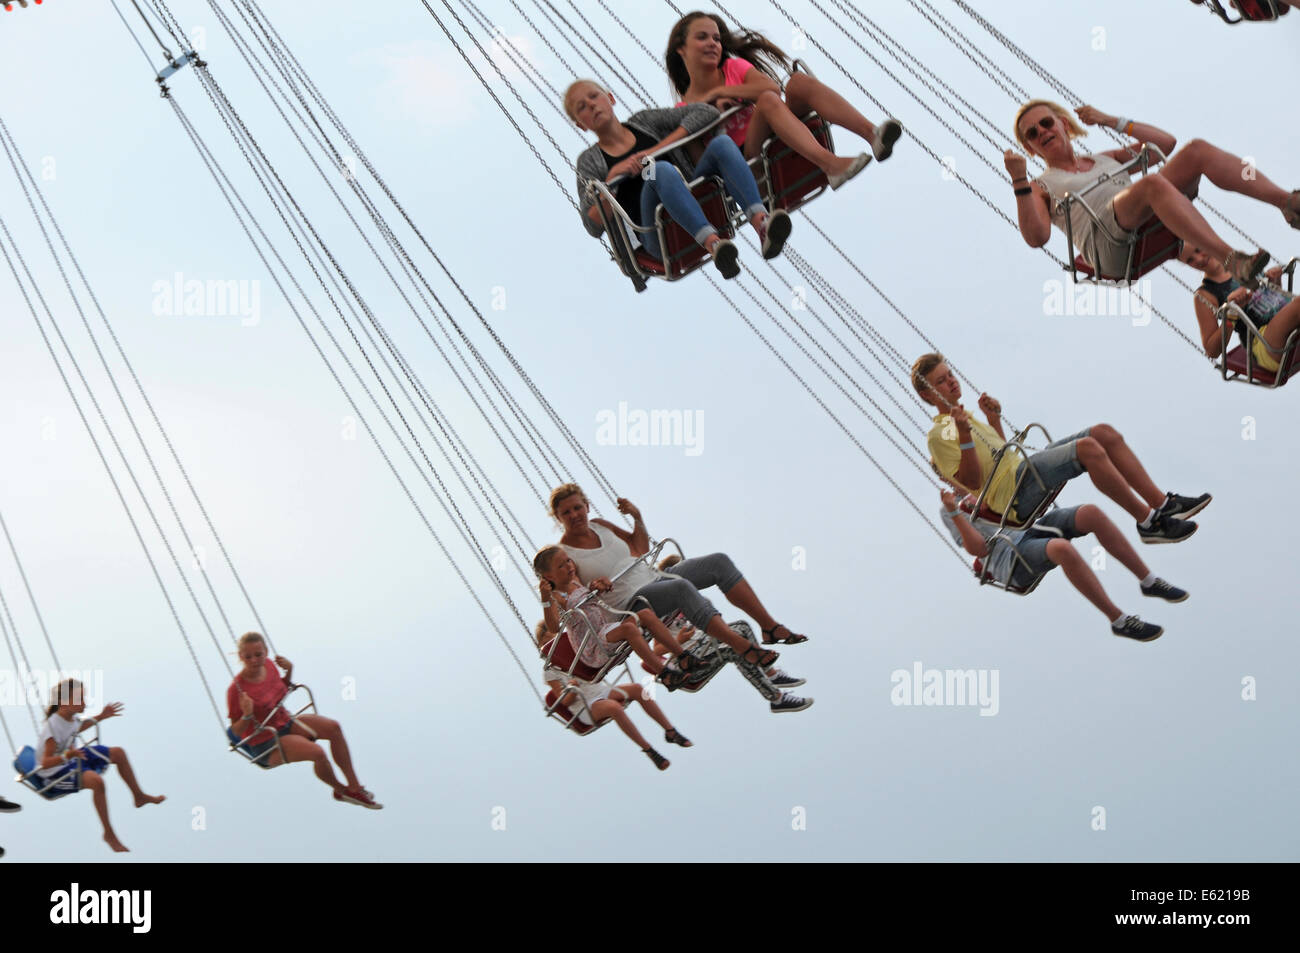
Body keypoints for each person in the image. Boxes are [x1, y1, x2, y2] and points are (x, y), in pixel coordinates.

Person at [548, 483, 813, 713]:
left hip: (653, 576)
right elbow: (569, 587)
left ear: (586, 506)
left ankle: (769, 627)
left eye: (577, 508)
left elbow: (639, 548)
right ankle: (744, 647)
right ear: (558, 518)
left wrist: (637, 517)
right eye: (566, 513)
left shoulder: (601, 526)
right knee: (681, 589)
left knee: (718, 563)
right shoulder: (564, 552)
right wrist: (594, 584)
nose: (574, 515)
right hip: (630, 601)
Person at [912, 353, 1211, 542]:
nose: (951, 382)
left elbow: (1000, 455)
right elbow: (974, 483)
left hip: (1020, 470)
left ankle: (1161, 502)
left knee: (1102, 433)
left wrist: (993, 420)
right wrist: (964, 434)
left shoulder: (966, 419)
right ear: (928, 393)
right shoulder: (940, 434)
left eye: (950, 374)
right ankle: (1148, 522)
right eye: (942, 381)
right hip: (1012, 496)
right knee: (1087, 450)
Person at [1005, 100, 1295, 285]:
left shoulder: (1106, 158)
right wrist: (1019, 180)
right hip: (1107, 246)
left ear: (1063, 125)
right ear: (1031, 148)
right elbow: (1037, 238)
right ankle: (1233, 260)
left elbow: (1165, 144)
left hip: (1141, 215)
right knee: (1150, 185)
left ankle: (1287, 203)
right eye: (1032, 134)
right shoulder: (1040, 185)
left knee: (1197, 150)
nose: (1041, 132)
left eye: (1046, 123)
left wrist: (1109, 120)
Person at [567, 79, 791, 280]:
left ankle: (761, 222)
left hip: (695, 198)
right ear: (581, 124)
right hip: (657, 234)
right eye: (582, 108)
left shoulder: (644, 122)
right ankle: (714, 245)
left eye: (594, 96)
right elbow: (592, 224)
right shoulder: (590, 161)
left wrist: (653, 150)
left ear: (610, 98)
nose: (592, 105)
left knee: (721, 145)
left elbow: (705, 113)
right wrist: (612, 178)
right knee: (660, 170)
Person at [667, 11, 902, 192]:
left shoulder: (732, 68)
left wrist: (723, 94)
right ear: (681, 49)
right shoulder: (683, 110)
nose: (712, 43)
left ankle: (872, 135)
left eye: (717, 39)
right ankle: (830, 165)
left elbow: (770, 86)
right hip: (748, 160)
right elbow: (702, 166)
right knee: (768, 101)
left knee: (797, 82)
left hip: (775, 128)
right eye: (702, 37)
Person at [941, 490, 1184, 641]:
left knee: (1090, 513)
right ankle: (1119, 620)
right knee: (1061, 549)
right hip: (1009, 558)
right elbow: (979, 549)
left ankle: (1149, 581)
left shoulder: (985, 481)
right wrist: (954, 512)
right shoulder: (951, 507)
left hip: (1030, 530)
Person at [228, 632, 381, 810]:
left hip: (285, 722)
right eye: (248, 657)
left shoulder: (270, 666)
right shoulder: (236, 690)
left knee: (334, 728)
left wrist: (289, 671)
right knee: (317, 753)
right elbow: (235, 732)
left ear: (266, 652)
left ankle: (355, 787)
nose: (254, 660)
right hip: (267, 742)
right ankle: (340, 790)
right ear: (240, 657)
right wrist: (247, 715)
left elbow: (279, 691)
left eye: (258, 655)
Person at [33, 679, 164, 853]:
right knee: (97, 782)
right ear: (65, 701)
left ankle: (139, 796)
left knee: (118, 753)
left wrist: (102, 715)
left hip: (70, 759)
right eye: (80, 699)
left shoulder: (69, 718)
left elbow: (77, 728)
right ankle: (109, 834)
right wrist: (68, 755)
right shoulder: (53, 726)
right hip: (53, 773)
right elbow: (44, 763)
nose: (85, 703)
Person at [536, 622, 690, 771]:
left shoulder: (574, 651)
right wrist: (571, 689)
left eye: (556, 639)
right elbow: (564, 702)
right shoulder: (550, 671)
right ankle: (649, 750)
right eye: (549, 642)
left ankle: (671, 731)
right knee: (614, 708)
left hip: (600, 691)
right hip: (584, 705)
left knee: (637, 689)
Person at [535, 545, 694, 679]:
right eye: (561, 566)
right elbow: (554, 627)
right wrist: (545, 599)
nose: (569, 566)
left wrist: (597, 587)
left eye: (568, 560)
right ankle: (665, 674)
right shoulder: (556, 597)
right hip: (593, 646)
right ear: (549, 576)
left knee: (644, 613)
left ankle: (683, 657)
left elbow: (586, 597)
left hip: (606, 631)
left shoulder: (575, 581)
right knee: (629, 629)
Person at [1178, 249, 1299, 373]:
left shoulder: (1242, 264)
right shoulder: (1205, 294)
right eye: (1190, 260)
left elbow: (1271, 303)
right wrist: (1232, 312)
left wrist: (1275, 280)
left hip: (1287, 326)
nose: (1199, 259)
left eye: (1198, 250)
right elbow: (1212, 350)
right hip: (1264, 342)